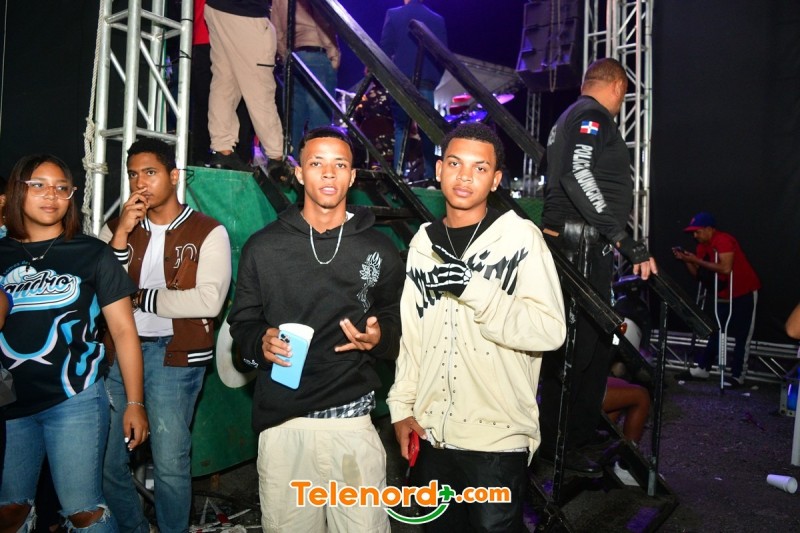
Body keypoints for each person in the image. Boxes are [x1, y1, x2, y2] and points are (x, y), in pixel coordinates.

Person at [387, 123, 566, 531]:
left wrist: (476, 290)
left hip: (496, 442)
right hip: (431, 436)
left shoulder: (520, 239)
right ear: (439, 170)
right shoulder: (422, 244)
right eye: (455, 163)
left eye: (479, 168)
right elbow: (412, 338)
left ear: (496, 179)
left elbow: (549, 330)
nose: (465, 176)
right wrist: (401, 409)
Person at [227, 126, 404, 532]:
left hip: (353, 425)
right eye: (316, 163)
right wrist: (258, 344)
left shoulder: (378, 249)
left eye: (339, 164)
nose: (328, 173)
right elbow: (243, 327)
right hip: (285, 427)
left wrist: (380, 337)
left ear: (352, 176)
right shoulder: (263, 247)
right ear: (299, 173)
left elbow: (397, 322)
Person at [0, 154, 148, 531]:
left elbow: (123, 331)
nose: (51, 195)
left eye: (61, 187)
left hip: (74, 398)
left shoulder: (91, 252)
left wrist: (135, 403)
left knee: (83, 511)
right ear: (17, 191)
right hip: (10, 401)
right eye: (38, 185)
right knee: (10, 511)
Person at [100, 138, 232, 533]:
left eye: (150, 172)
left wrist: (141, 298)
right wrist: (120, 235)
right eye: (133, 174)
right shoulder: (118, 227)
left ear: (173, 176)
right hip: (119, 353)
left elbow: (209, 301)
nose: (140, 183)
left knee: (170, 463)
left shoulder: (208, 230)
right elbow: (101, 287)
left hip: (175, 356)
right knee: (107, 462)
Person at [538, 57, 658, 476]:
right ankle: (560, 444)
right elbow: (578, 174)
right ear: (618, 87)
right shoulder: (592, 116)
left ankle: (578, 436)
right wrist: (622, 237)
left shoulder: (569, 117)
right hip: (581, 245)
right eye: (624, 96)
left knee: (591, 347)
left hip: (582, 245)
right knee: (577, 350)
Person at [673, 212, 760, 388]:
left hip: (743, 291)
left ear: (709, 229)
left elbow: (726, 268)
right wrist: (687, 260)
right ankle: (703, 368)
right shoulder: (702, 247)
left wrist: (696, 260)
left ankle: (737, 375)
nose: (695, 235)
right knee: (716, 331)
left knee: (743, 335)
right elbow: (698, 275)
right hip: (723, 293)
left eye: (697, 231)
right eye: (693, 232)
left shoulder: (723, 240)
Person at [205, 0, 285, 173]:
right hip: (246, 12)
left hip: (217, 8)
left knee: (225, 82)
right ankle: (277, 158)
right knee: (259, 87)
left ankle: (222, 150)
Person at [379, 0, 447, 181]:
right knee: (428, 129)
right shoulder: (437, 19)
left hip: (401, 79)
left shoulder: (394, 15)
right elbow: (443, 57)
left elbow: (384, 50)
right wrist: (433, 80)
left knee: (402, 127)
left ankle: (398, 175)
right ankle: (431, 178)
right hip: (426, 81)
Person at [272, 0, 340, 158]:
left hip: (294, 57)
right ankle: (317, 162)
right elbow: (322, 21)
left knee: (293, 118)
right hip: (317, 54)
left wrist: (285, 55)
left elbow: (277, 30)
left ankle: (292, 163)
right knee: (320, 119)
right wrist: (333, 50)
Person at [190, 0, 254, 167]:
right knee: (228, 99)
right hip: (219, 36)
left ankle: (209, 156)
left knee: (212, 100)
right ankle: (217, 155)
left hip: (217, 36)